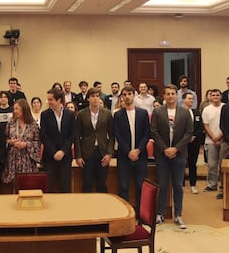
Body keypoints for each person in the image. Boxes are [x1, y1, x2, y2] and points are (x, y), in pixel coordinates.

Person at [150, 84, 193, 229]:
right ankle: (160, 213)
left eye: (173, 94)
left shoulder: (185, 112)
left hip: (179, 154)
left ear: (177, 96)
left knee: (178, 185)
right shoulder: (157, 111)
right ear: (163, 96)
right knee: (162, 185)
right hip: (162, 154)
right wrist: (165, 149)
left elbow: (188, 133)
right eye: (167, 94)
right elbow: (154, 131)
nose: (170, 96)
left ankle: (178, 215)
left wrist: (175, 148)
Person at [114, 86, 149, 214]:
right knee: (123, 186)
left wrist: (137, 151)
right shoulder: (118, 115)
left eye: (129, 94)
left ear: (134, 95)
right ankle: (125, 214)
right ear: (122, 97)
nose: (127, 96)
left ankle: (141, 215)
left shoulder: (143, 113)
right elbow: (118, 135)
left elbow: (146, 134)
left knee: (141, 186)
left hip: (140, 156)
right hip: (124, 156)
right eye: (124, 94)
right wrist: (129, 152)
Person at [75, 87, 114, 193]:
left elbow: (112, 136)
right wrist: (78, 156)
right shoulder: (81, 114)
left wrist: (110, 154)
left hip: (102, 152)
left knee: (102, 184)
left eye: (97, 96)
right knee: (87, 184)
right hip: (87, 152)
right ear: (88, 98)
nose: (95, 99)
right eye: (93, 96)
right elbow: (77, 137)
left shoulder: (107, 113)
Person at [40, 88, 75, 192]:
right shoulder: (45, 115)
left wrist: (63, 151)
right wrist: (54, 152)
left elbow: (73, 135)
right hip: (50, 157)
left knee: (65, 186)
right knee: (49, 186)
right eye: (48, 99)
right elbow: (44, 135)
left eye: (51, 100)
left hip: (65, 157)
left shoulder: (70, 114)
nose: (48, 102)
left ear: (59, 100)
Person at [2, 99, 40, 184]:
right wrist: (10, 142)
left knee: (28, 185)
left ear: (24, 109)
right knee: (15, 185)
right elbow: (4, 138)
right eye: (14, 109)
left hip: (28, 160)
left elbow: (37, 142)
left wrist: (26, 144)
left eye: (17, 109)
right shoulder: (11, 123)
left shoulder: (33, 125)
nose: (15, 111)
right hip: (13, 159)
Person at [202, 89, 224, 193]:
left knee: (223, 164)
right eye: (213, 95)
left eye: (217, 95)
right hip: (210, 140)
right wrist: (214, 138)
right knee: (211, 164)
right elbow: (205, 125)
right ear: (210, 96)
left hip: (224, 140)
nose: (215, 97)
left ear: (221, 96)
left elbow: (227, 125)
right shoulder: (206, 109)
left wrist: (219, 137)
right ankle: (212, 184)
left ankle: (224, 186)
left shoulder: (225, 107)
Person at [182, 92, 203, 194]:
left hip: (194, 142)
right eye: (189, 98)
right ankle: (181, 185)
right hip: (182, 142)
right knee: (181, 163)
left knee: (192, 163)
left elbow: (200, 127)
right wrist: (186, 137)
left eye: (192, 99)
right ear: (183, 100)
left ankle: (193, 185)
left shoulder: (196, 112)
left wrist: (193, 136)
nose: (191, 101)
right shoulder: (179, 112)